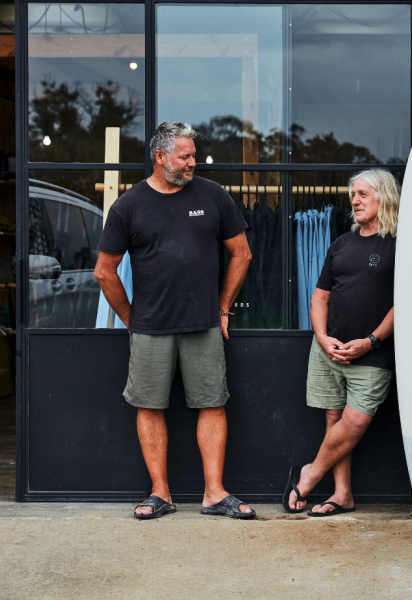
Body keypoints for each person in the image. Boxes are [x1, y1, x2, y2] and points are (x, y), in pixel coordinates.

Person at [94, 121, 254, 520]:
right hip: (150, 326)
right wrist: (132, 319)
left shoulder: (212, 195)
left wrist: (222, 308)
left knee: (212, 403)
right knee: (149, 407)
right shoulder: (128, 205)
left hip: (203, 324)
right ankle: (160, 493)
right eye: (185, 157)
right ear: (160, 156)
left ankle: (214, 493)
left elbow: (242, 254)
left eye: (194, 156)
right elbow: (104, 272)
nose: (192, 163)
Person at [283, 168, 399, 516]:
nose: (355, 200)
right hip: (329, 350)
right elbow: (320, 297)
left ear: (384, 197)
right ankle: (342, 493)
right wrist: (322, 337)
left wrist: (372, 341)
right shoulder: (341, 244)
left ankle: (309, 475)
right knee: (334, 419)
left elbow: (403, 302)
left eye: (363, 194)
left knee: (356, 421)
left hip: (372, 352)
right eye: (353, 195)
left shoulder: (400, 244)